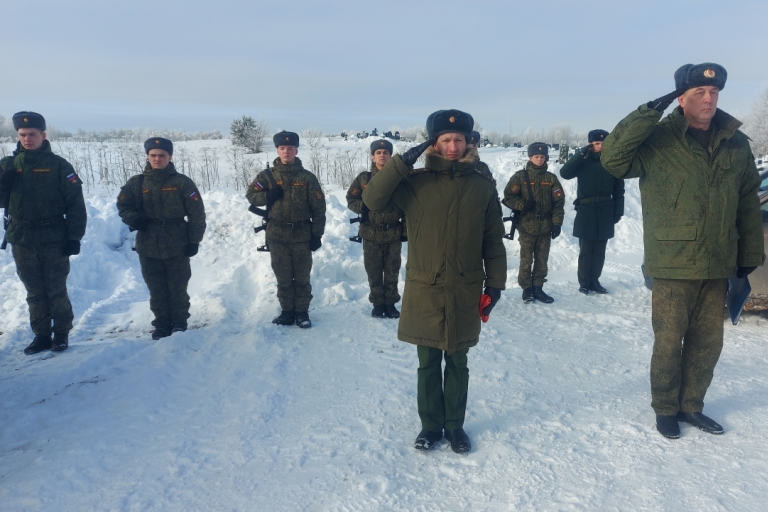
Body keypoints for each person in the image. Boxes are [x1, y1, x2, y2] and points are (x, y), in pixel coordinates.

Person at [601, 62, 765, 439]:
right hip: (673, 262)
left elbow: (745, 201)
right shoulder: (657, 140)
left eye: (714, 93)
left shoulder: (735, 142)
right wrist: (649, 111)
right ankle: (664, 408)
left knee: (708, 343)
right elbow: (612, 159)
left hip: (718, 259)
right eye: (698, 93)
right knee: (669, 341)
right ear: (681, 97)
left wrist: (750, 254)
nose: (708, 100)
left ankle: (692, 405)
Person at [363, 109, 507, 453]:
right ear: (434, 143)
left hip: (465, 287)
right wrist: (401, 163)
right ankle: (430, 426)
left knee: (458, 360)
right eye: (445, 140)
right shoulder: (415, 182)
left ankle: (455, 426)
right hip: (425, 287)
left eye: (459, 139)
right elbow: (372, 200)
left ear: (469, 142)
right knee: (427, 362)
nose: (453, 146)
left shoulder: (482, 185)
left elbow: (493, 239)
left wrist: (496, 285)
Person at [0, 112, 86, 355]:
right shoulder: (7, 165)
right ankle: (41, 336)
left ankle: (61, 334)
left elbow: (76, 204)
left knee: (56, 289)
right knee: (34, 291)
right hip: (22, 238)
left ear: (43, 135)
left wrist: (74, 237)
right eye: (23, 135)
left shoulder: (59, 165)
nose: (27, 139)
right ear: (17, 135)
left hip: (53, 238)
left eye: (32, 134)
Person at [117, 138, 206, 340]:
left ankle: (179, 323)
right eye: (153, 155)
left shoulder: (182, 183)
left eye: (162, 155)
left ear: (170, 157)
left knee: (178, 287)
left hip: (177, 242)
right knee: (156, 288)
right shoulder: (137, 183)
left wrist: (194, 241)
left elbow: (197, 214)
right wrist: (133, 219)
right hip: (148, 243)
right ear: (148, 157)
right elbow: (123, 205)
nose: (157, 159)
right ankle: (161, 324)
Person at [246, 131, 326, 328]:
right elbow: (251, 196)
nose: (286, 151)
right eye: (282, 148)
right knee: (282, 277)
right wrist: (268, 196)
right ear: (277, 150)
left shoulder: (307, 178)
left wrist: (317, 234)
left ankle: (302, 313)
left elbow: (319, 208)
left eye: (290, 148)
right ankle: (287, 312)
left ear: (296, 150)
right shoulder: (267, 176)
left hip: (302, 235)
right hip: (277, 235)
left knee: (302, 277)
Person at [559, 129, 625, 294]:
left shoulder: (612, 162)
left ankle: (595, 281)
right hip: (586, 210)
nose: (600, 146)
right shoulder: (583, 161)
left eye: (603, 143)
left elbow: (619, 189)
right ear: (590, 144)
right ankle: (584, 282)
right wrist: (580, 154)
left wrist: (618, 211)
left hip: (606, 210)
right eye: (596, 143)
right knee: (586, 250)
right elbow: (564, 173)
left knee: (600, 250)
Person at [346, 140, 405, 318]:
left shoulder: (400, 178)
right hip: (371, 232)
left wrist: (405, 231)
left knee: (392, 270)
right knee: (373, 270)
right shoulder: (364, 178)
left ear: (390, 156)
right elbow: (351, 198)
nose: (382, 155)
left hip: (393, 232)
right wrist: (363, 207)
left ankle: (391, 304)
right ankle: (378, 304)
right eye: (378, 152)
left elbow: (410, 204)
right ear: (372, 156)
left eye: (385, 152)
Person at [502, 143, 565, 303]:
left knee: (542, 260)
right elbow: (508, 197)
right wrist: (522, 205)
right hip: (526, 225)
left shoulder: (551, 179)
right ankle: (526, 289)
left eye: (542, 156)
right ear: (530, 157)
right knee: (526, 260)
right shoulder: (520, 177)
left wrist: (557, 223)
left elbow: (559, 202)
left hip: (545, 226)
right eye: (536, 156)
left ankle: (538, 288)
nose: (539, 159)